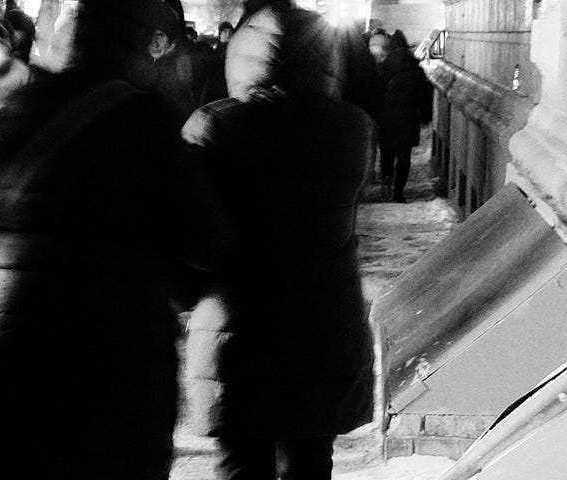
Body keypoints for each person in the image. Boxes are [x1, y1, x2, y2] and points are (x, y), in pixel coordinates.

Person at [0, 0, 226, 478]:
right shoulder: (145, 119)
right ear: (142, 46)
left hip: (17, 351)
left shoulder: (18, 108)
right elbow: (204, 240)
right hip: (118, 359)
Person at [180, 3, 377, 480]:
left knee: (241, 464)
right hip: (325, 330)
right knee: (310, 462)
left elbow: (192, 237)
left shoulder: (211, 127)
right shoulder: (353, 129)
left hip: (238, 330)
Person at [373, 29, 433, 202]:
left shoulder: (382, 68)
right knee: (404, 156)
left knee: (386, 153)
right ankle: (399, 192)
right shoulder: (416, 70)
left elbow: (375, 92)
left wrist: (375, 115)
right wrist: (425, 117)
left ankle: (386, 178)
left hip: (386, 118)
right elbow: (425, 96)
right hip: (408, 118)